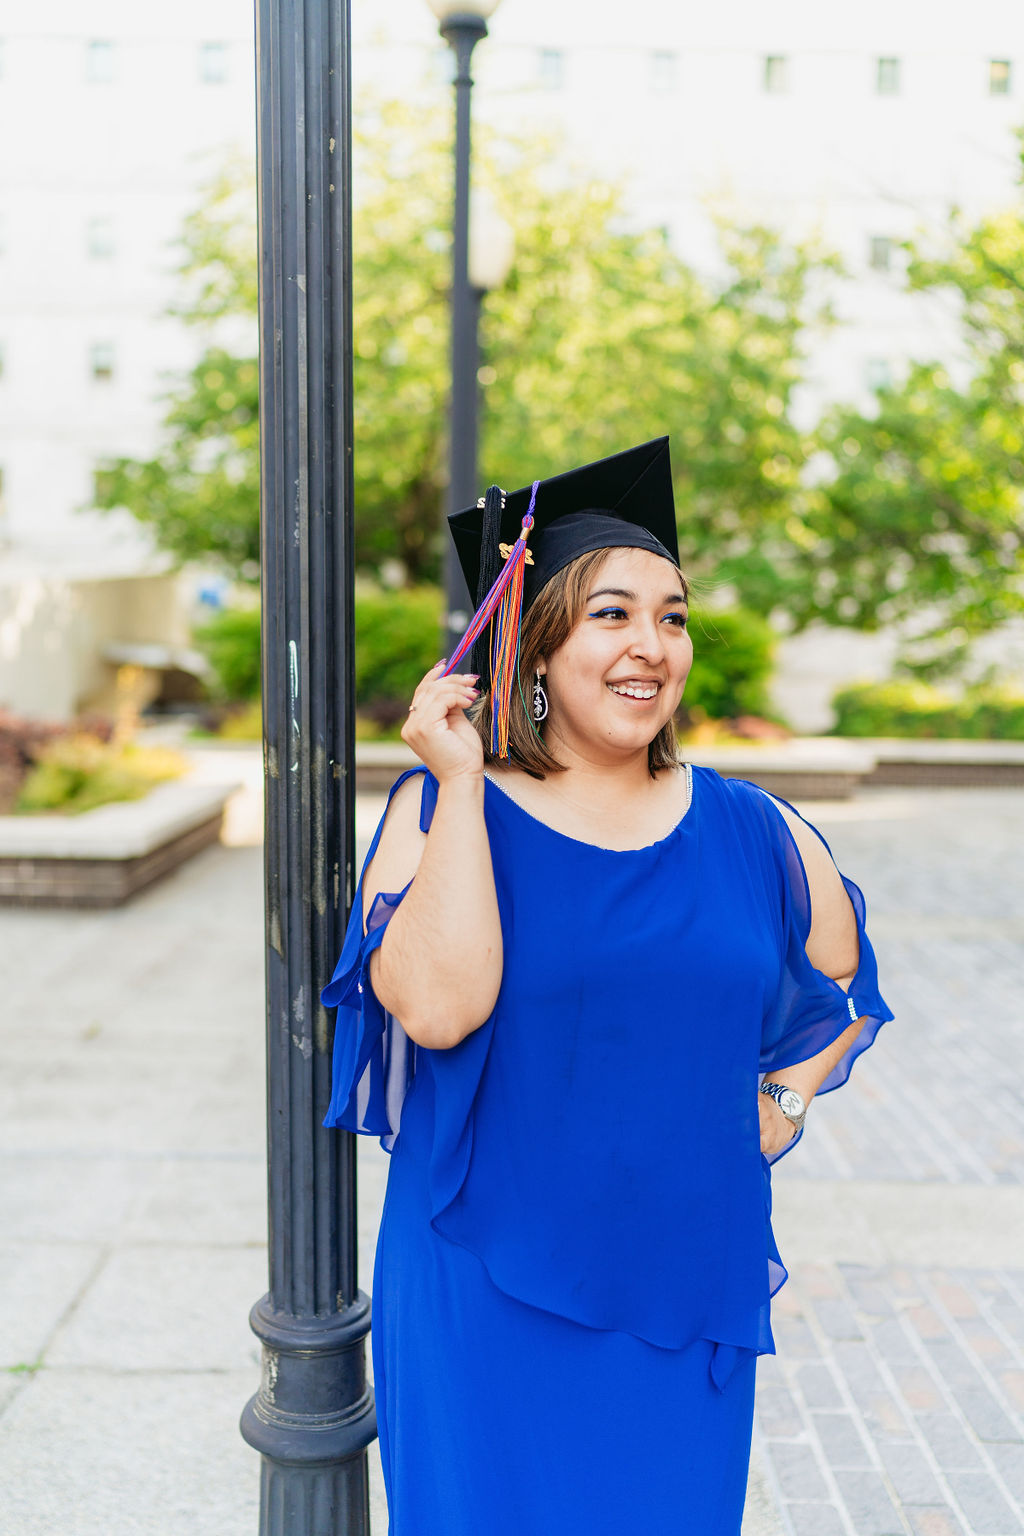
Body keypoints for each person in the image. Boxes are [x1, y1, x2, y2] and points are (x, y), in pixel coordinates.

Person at [322, 437, 892, 1535]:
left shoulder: (750, 827)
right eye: (611, 615)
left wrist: (783, 1098)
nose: (650, 645)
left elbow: (841, 983)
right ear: (534, 653)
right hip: (484, 1283)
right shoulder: (444, 811)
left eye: (671, 617)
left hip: (682, 1279)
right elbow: (439, 1009)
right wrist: (455, 779)